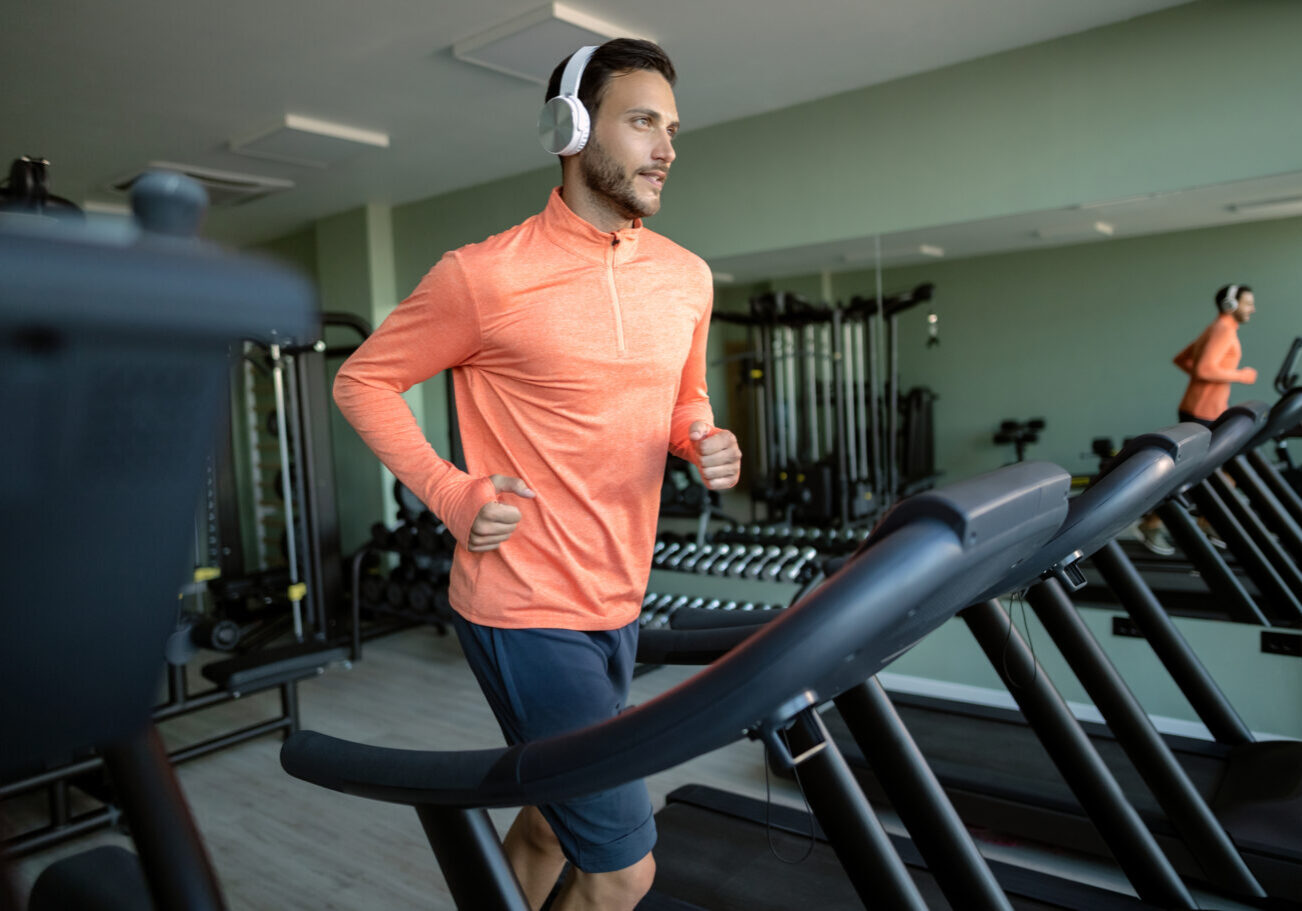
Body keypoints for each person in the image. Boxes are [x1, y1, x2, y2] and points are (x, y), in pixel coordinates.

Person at [332, 38, 742, 911]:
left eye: (673, 127)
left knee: (558, 821)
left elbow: (685, 400)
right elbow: (360, 379)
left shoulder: (687, 277)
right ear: (572, 127)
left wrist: (704, 439)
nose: (667, 146)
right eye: (642, 122)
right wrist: (450, 492)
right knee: (624, 866)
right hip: (522, 606)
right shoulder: (482, 278)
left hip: (618, 596)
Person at [1136, 283, 1258, 554]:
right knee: (1204, 473)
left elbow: (1183, 360)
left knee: (1220, 471)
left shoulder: (1216, 328)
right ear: (1231, 305)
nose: (1253, 308)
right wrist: (1242, 375)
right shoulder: (1224, 330)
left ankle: (1206, 521)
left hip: (1202, 407)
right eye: (1248, 303)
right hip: (1203, 411)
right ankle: (1156, 523)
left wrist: (1207, 382)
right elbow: (1204, 368)